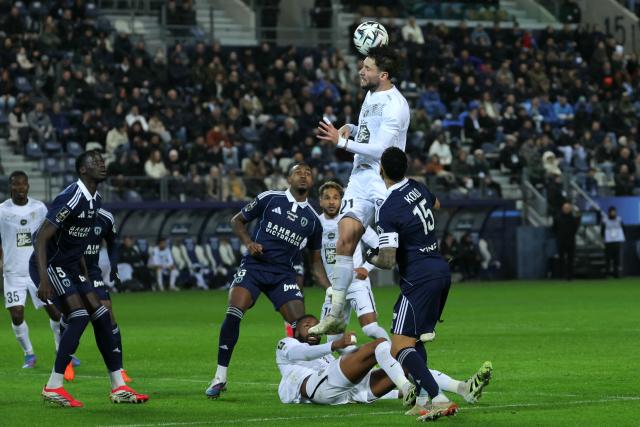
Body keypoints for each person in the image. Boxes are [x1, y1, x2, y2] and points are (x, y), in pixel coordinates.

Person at [29, 150, 147, 407]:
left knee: (102, 315)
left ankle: (119, 386)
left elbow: (78, 242)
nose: (102, 165)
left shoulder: (96, 199)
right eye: (95, 162)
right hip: (50, 265)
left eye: (102, 161)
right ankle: (53, 386)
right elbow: (41, 237)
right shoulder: (72, 196)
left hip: (71, 267)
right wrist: (43, 279)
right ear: (82, 170)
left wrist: (82, 270)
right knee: (79, 316)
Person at [205, 163, 332, 398]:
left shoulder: (314, 221)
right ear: (288, 178)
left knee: (305, 328)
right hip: (255, 267)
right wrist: (248, 243)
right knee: (234, 312)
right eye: (298, 172)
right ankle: (220, 376)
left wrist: (332, 289)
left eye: (308, 173)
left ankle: (316, 376)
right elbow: (237, 221)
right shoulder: (269, 198)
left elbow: (315, 263)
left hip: (283, 274)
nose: (304, 175)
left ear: (312, 182)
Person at [313, 45, 410, 335]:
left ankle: (421, 309)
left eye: (366, 68)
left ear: (382, 74)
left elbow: (382, 149)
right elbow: (370, 132)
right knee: (345, 238)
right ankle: (337, 312)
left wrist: (341, 143)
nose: (360, 71)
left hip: (384, 180)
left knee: (402, 250)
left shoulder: (396, 104)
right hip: (360, 177)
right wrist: (352, 129)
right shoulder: (370, 94)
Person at [366, 147, 461, 420]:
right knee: (415, 339)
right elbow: (437, 205)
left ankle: (439, 397)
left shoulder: (388, 208)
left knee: (398, 347)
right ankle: (422, 399)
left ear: (381, 169)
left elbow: (387, 260)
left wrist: (367, 253)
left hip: (419, 279)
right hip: (440, 269)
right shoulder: (418, 187)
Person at [278, 315, 492, 413]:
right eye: (307, 325)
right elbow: (303, 353)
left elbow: (347, 370)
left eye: (316, 325)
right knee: (380, 344)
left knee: (405, 362)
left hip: (348, 394)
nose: (313, 328)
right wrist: (335, 345)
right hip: (317, 389)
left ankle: (462, 388)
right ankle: (407, 387)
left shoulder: (327, 355)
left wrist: (395, 390)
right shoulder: (286, 344)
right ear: (295, 331)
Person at [0, 171, 68, 369]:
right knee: (17, 314)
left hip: (36, 271)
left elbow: (48, 236)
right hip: (12, 273)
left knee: (55, 312)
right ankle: (29, 354)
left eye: (24, 184)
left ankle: (61, 351)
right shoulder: (2, 210)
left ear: (28, 186)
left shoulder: (38, 208)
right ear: (10, 187)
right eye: (16, 185)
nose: (20, 188)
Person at [316, 181, 388, 345]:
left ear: (342, 200)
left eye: (336, 197)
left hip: (357, 283)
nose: (332, 201)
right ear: (320, 201)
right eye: (327, 198)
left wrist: (367, 267)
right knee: (333, 341)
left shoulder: (352, 221)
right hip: (334, 290)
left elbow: (379, 244)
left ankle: (395, 356)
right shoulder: (315, 225)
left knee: (370, 328)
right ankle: (358, 369)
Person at [79, 207, 132, 383]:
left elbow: (113, 243)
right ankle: (65, 362)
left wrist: (114, 266)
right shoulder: (71, 211)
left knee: (108, 313)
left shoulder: (105, 217)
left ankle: (120, 367)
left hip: (93, 273)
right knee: (72, 316)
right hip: (71, 269)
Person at [553, 202, 581, 280]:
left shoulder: (573, 219)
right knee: (561, 259)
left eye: (568, 208)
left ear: (570, 209)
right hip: (561, 241)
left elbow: (576, 228)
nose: (567, 209)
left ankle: (570, 276)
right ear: (562, 209)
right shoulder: (558, 218)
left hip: (571, 241)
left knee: (570, 259)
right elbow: (554, 228)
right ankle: (562, 275)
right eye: (565, 208)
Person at [601, 207, 625, 277]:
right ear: (609, 213)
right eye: (612, 212)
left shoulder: (619, 220)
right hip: (608, 242)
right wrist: (604, 239)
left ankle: (616, 274)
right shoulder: (605, 220)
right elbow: (602, 231)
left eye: (614, 212)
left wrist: (621, 238)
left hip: (616, 242)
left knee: (616, 259)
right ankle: (607, 273)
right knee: (607, 259)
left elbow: (623, 229)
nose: (613, 213)